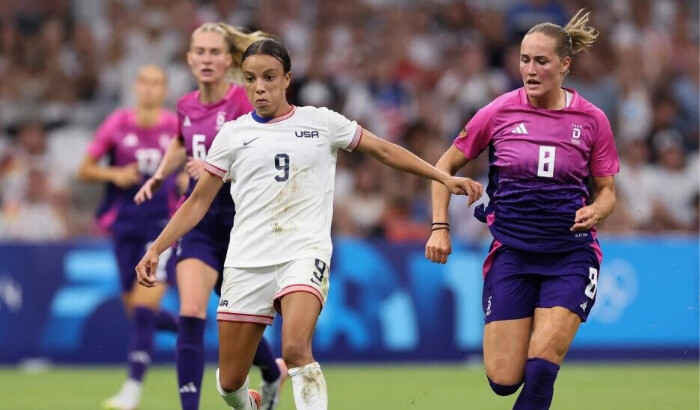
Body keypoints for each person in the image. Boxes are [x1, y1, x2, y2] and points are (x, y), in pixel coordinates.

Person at [135, 39, 481, 410]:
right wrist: (157, 247)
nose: (259, 87)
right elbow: (198, 201)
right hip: (247, 260)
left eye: (269, 77)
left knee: (296, 349)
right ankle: (255, 401)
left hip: (303, 252)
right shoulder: (233, 135)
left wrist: (441, 177)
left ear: (287, 79)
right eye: (251, 79)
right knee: (229, 382)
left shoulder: (321, 122)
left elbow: (382, 149)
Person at [425, 9, 619, 410]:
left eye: (541, 61)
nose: (530, 69)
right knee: (503, 379)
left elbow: (607, 192)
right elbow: (442, 167)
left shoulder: (593, 120)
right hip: (512, 254)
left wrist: (598, 211)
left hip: (570, 254)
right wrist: (439, 226)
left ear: (564, 65)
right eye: (524, 59)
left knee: (543, 366)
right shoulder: (498, 112)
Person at [133, 23, 285, 410]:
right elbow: (181, 143)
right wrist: (158, 175)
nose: (205, 59)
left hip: (240, 223)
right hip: (198, 221)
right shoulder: (185, 105)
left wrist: (222, 168)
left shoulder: (243, 102)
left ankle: (272, 373)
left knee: (241, 324)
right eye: (199, 51)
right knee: (191, 310)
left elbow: (265, 155)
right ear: (188, 58)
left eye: (214, 52)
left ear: (229, 59)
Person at [77, 64, 180, 410]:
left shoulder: (175, 125)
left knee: (142, 308)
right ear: (136, 87)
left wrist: (184, 181)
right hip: (124, 227)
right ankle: (191, 328)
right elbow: (85, 168)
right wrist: (114, 172)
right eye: (144, 82)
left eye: (156, 83)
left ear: (164, 89)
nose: (149, 88)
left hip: (163, 228)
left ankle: (132, 392)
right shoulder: (117, 123)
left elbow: (197, 164)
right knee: (137, 312)